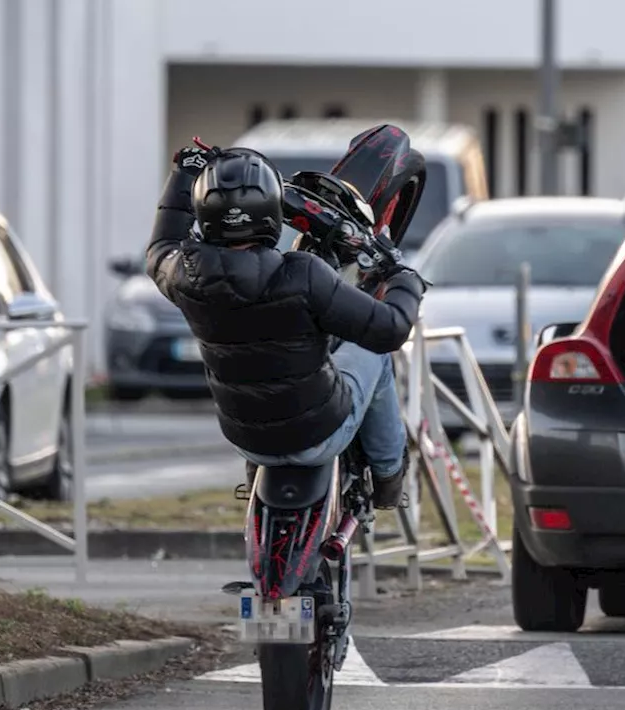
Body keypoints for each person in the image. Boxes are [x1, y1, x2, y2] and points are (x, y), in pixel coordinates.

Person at [143, 142, 426, 509]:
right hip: (321, 435)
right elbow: (390, 330)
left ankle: (254, 478)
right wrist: (405, 280)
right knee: (374, 355)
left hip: (247, 440)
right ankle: (389, 480)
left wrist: (183, 172)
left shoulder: (185, 275)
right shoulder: (304, 274)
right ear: (271, 210)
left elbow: (160, 247)